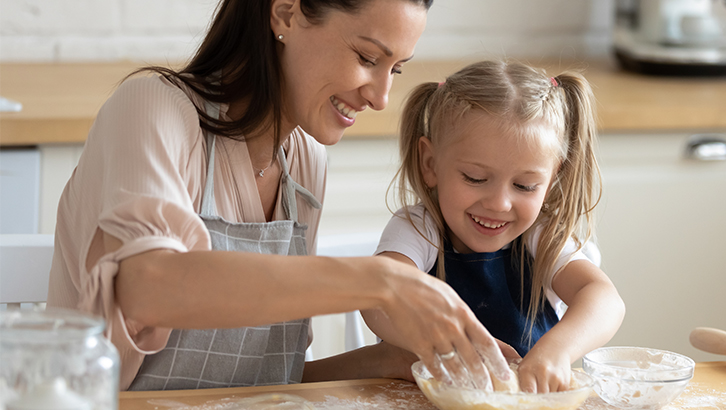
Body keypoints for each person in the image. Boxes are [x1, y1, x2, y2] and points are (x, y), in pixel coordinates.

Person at [46, 0, 512, 391]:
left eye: (396, 69)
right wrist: (381, 281)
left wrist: (387, 361)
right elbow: (146, 286)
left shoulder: (304, 161)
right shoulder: (154, 108)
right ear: (286, 13)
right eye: (368, 58)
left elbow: (263, 381)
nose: (381, 97)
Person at [363, 60, 627, 394]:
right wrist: (450, 343)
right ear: (430, 163)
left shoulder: (541, 237)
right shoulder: (418, 229)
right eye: (475, 178)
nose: (499, 203)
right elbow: (377, 299)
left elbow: (604, 299)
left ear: (552, 178)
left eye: (525, 185)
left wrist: (557, 351)